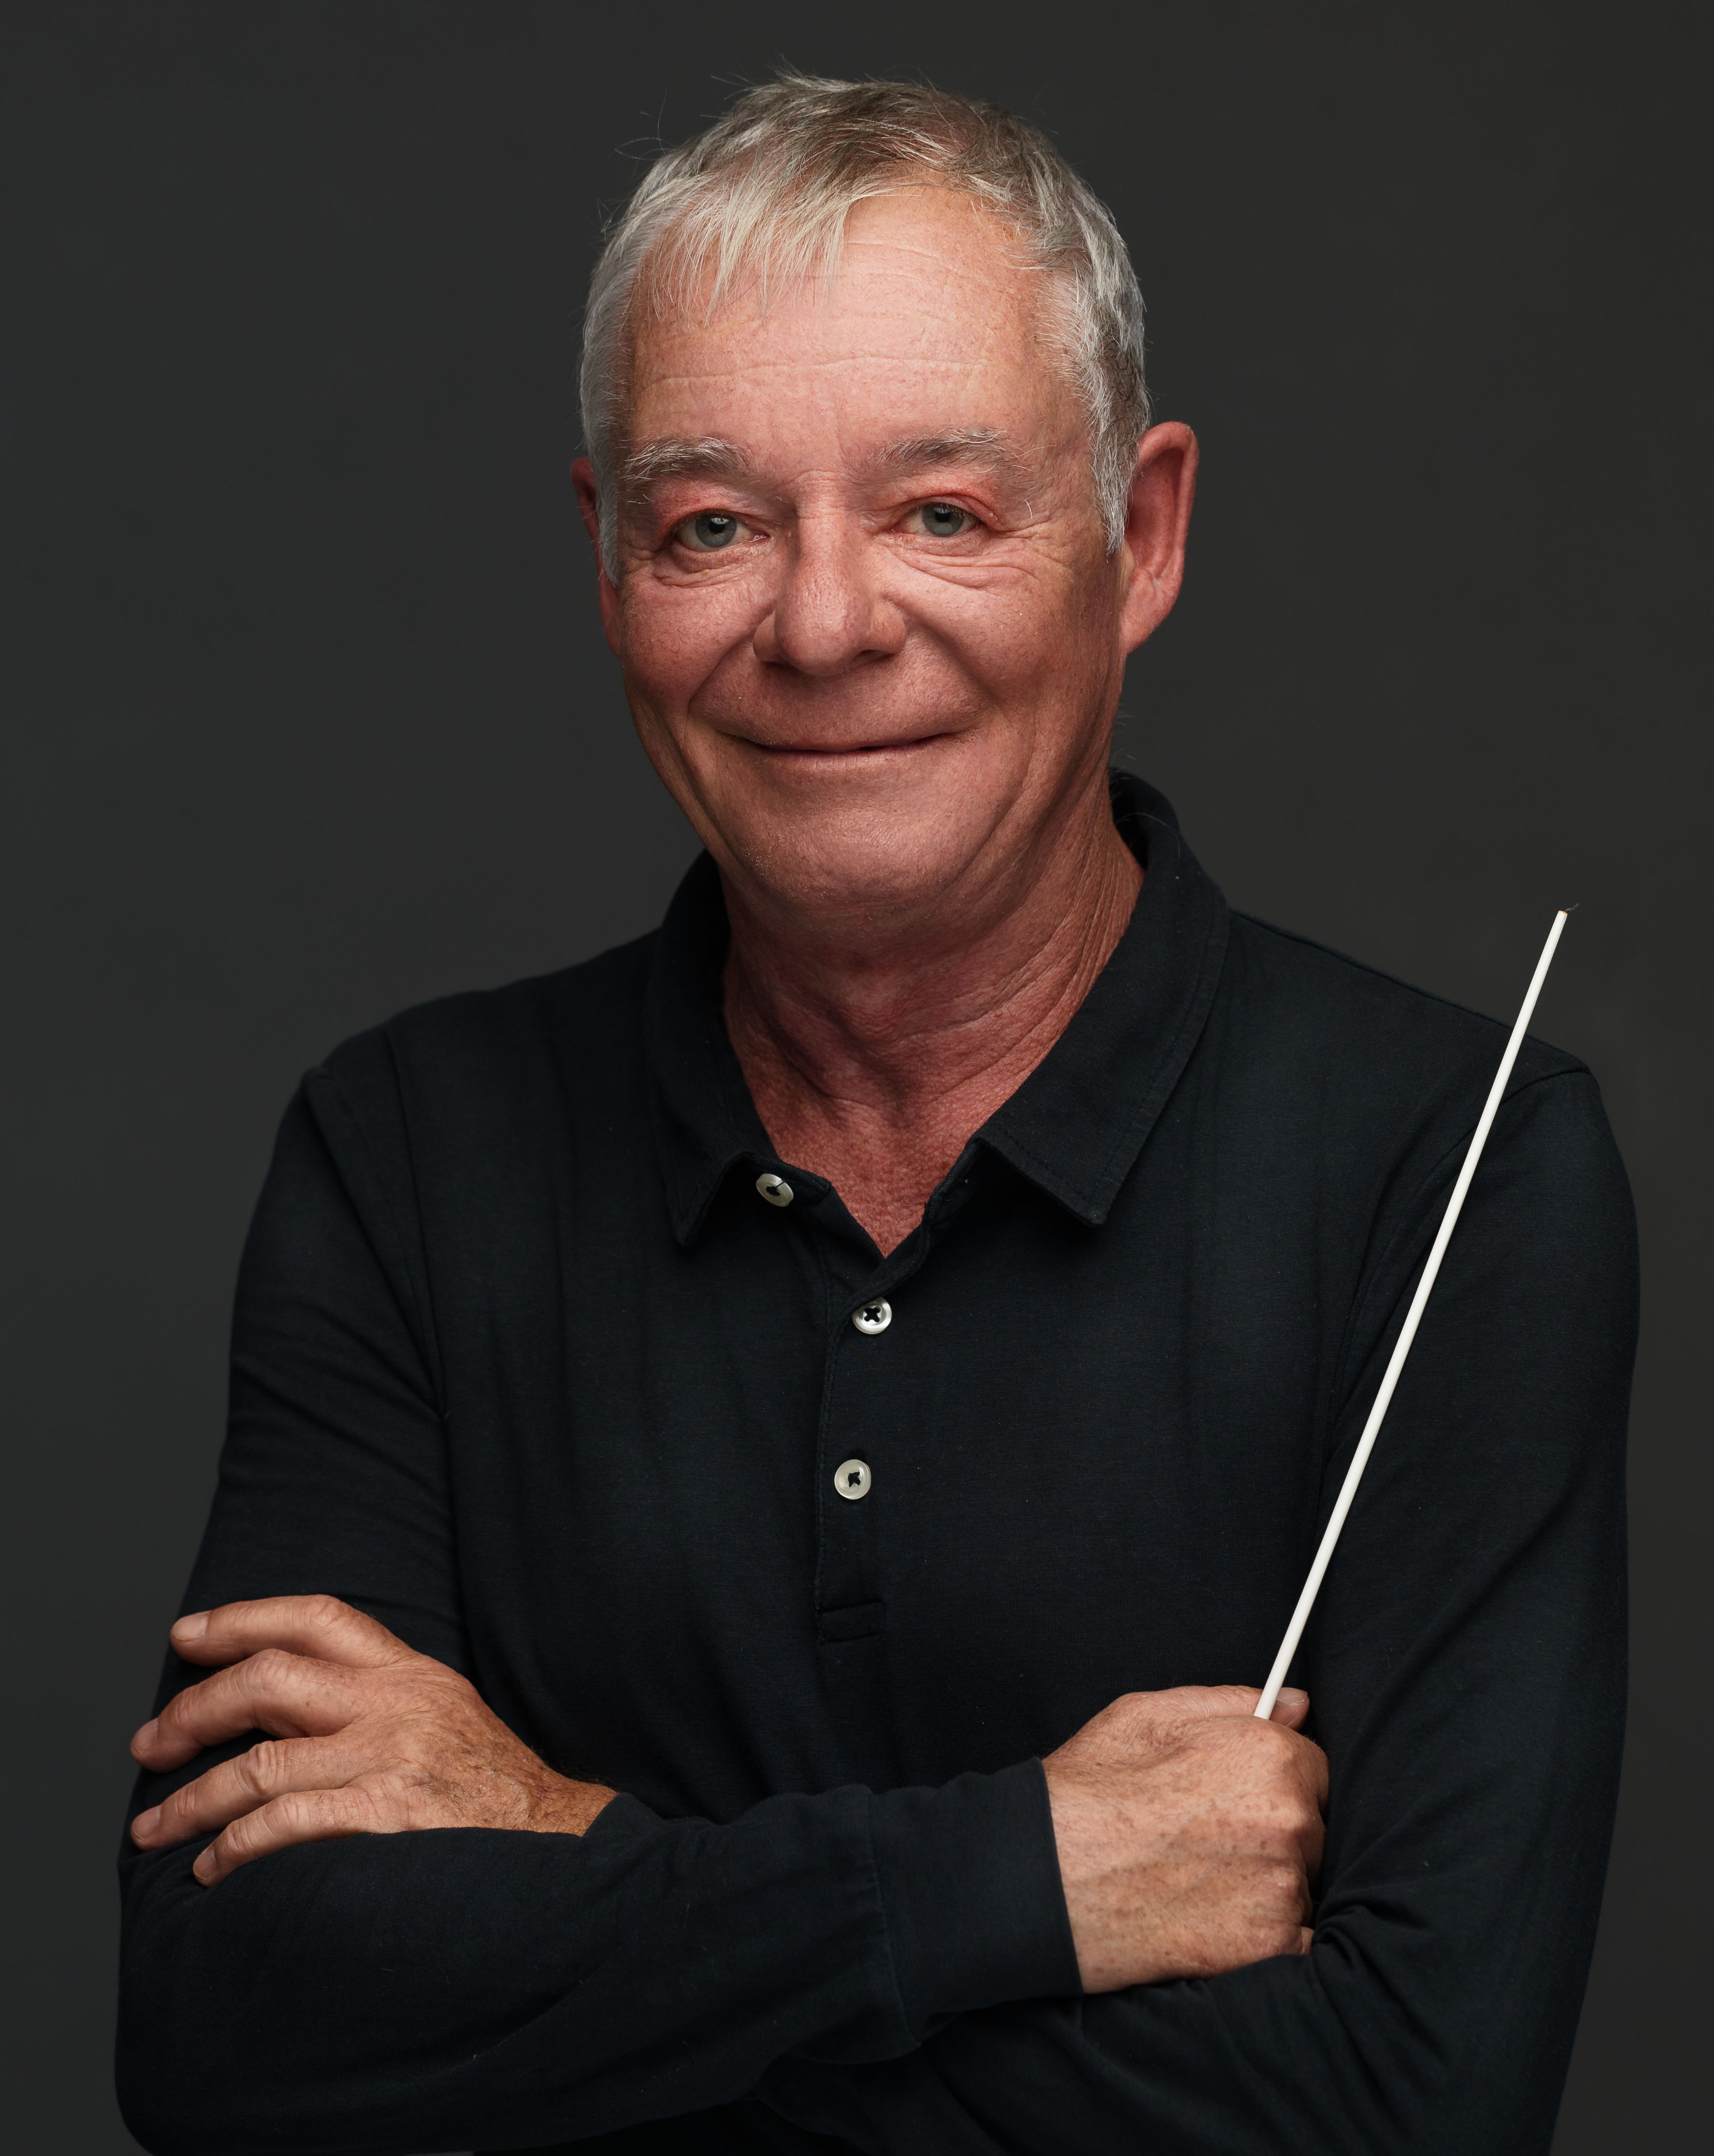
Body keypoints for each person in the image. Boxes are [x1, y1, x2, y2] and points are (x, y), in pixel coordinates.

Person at [116, 75, 1636, 2156]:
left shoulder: (1453, 1170)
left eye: (941, 513)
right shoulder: (404, 1157)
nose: (824, 625)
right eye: (714, 526)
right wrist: (1018, 1880)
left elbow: (1407, 2108)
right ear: (608, 564)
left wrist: (558, 1841)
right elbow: (229, 2036)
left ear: (1140, 537)